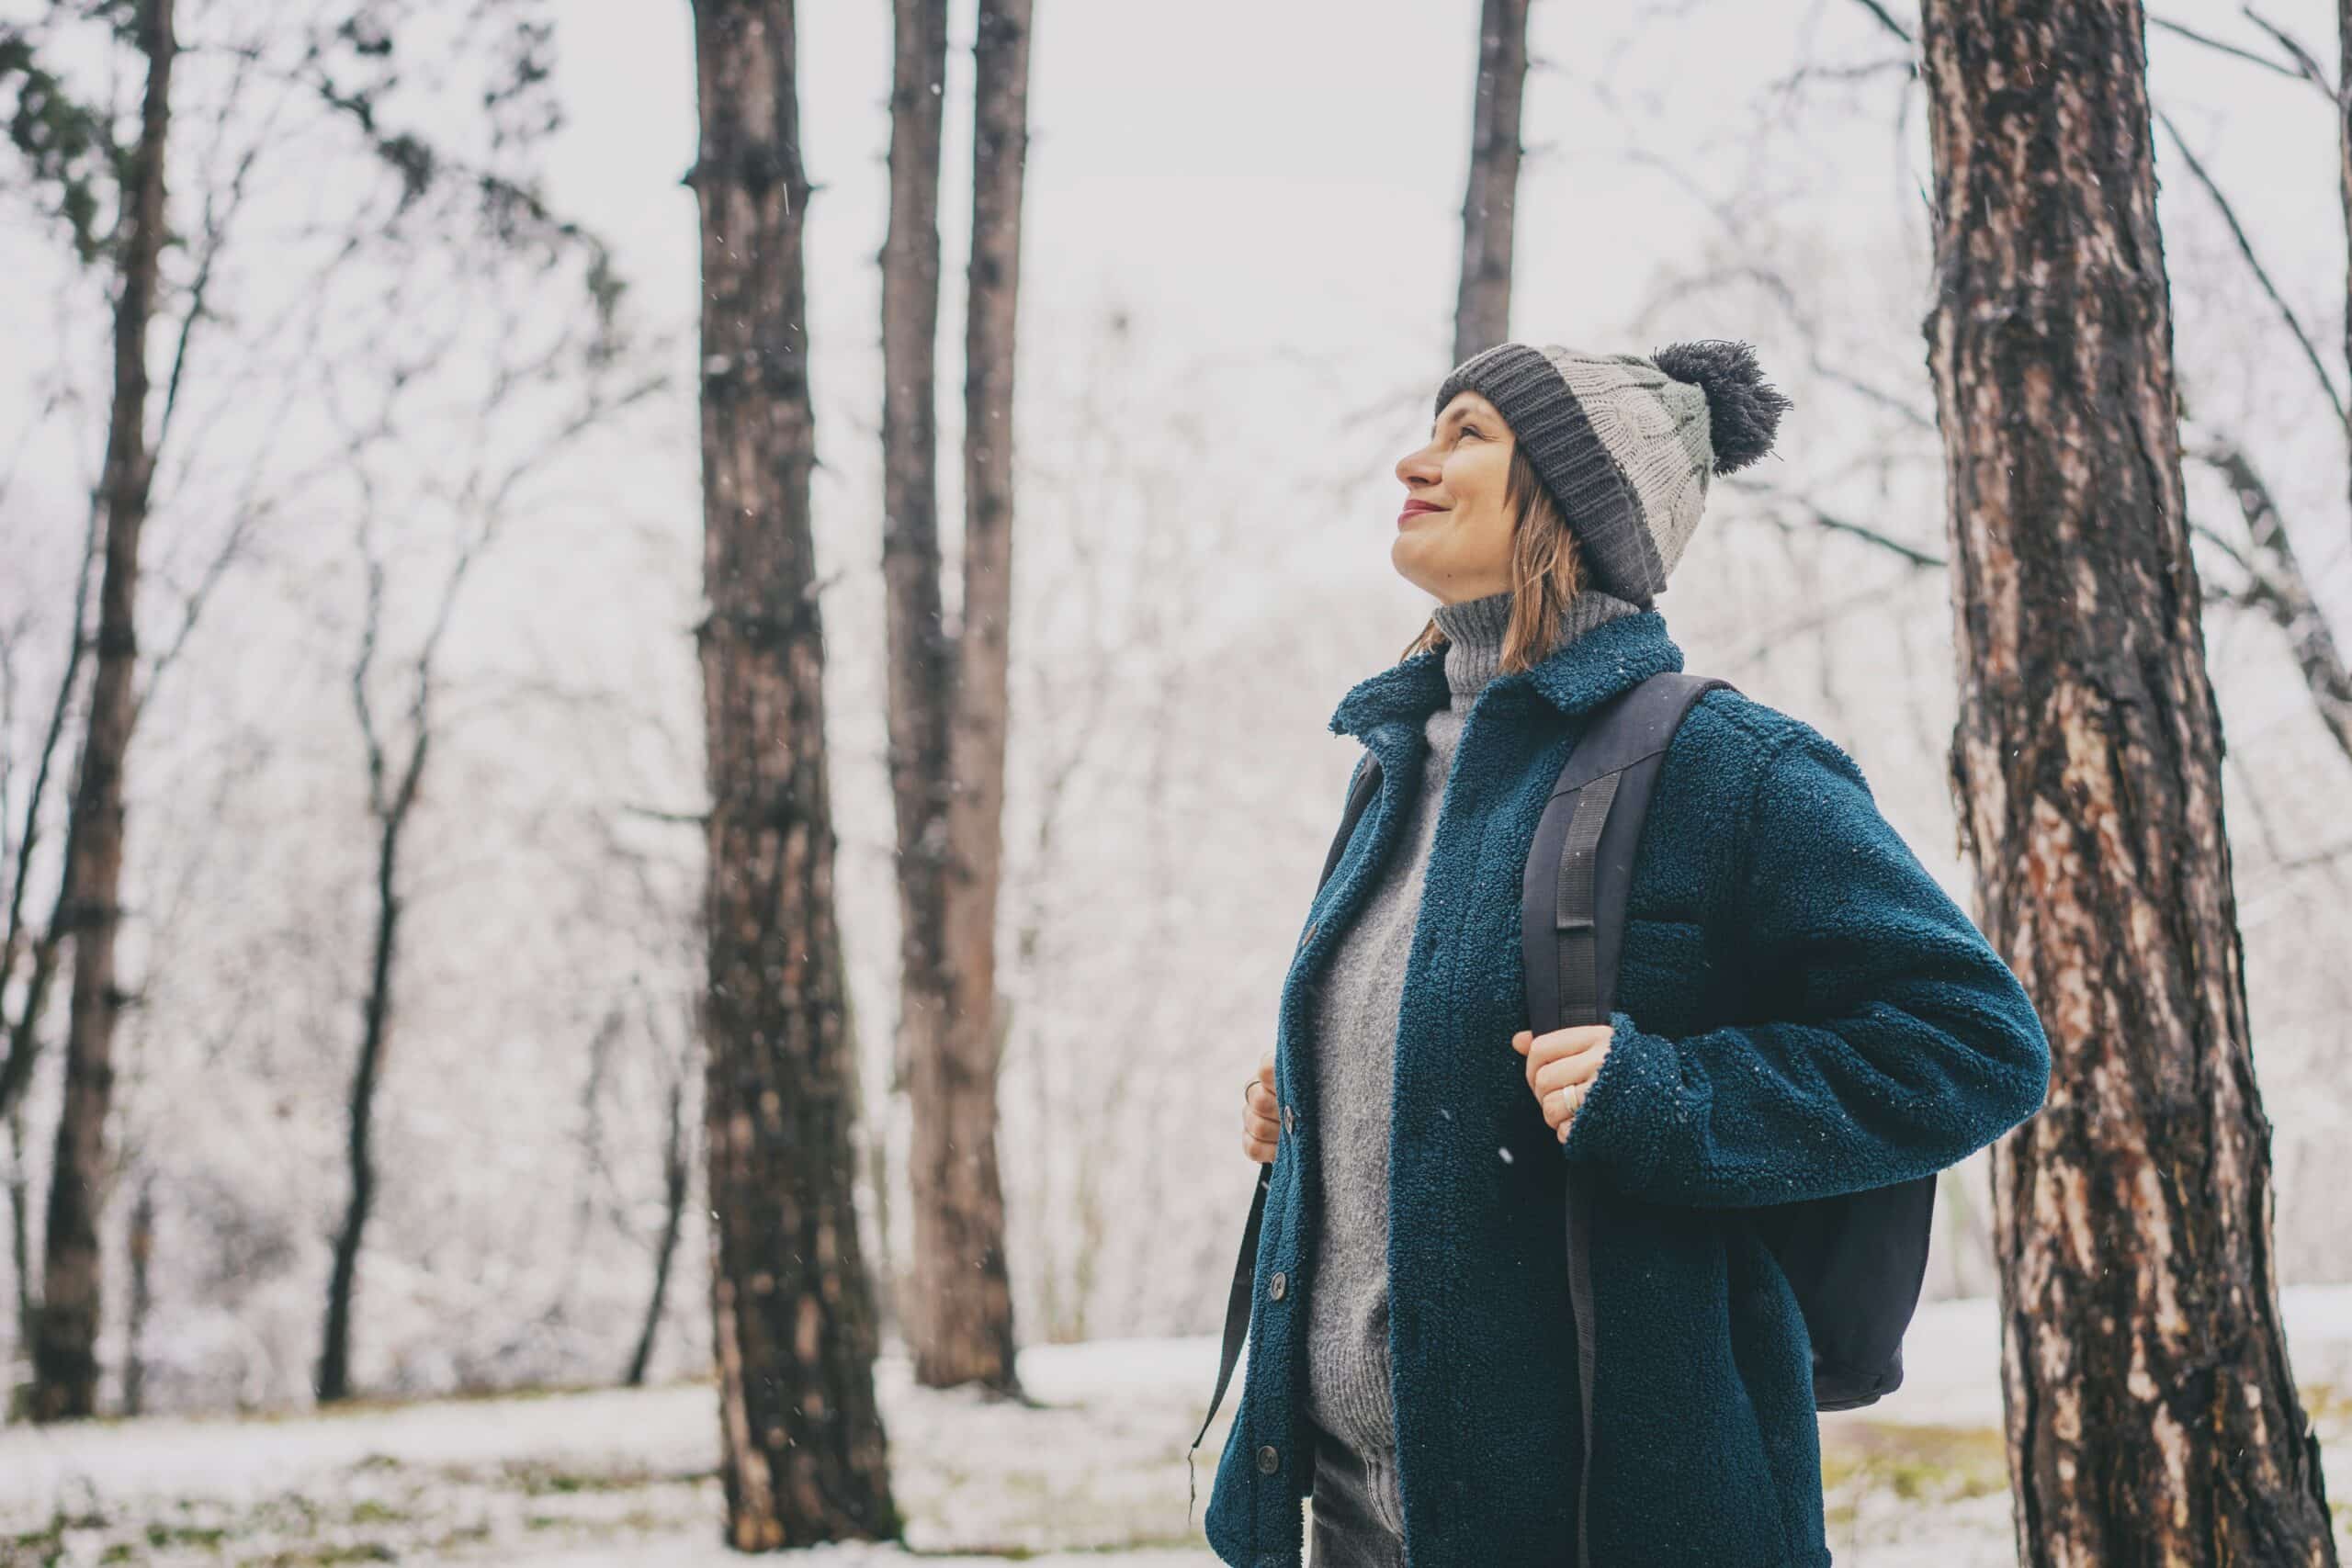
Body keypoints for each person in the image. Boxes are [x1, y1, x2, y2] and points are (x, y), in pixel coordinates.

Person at [1207, 339, 2051, 1568]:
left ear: (1570, 493)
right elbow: (1441, 1053)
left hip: (1611, 1524)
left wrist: (1673, 1097)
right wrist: (1312, 1098)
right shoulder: (1397, 764)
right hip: (1351, 1520)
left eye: (1467, 434)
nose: (1416, 459)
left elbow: (1975, 1041)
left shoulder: (1727, 764)